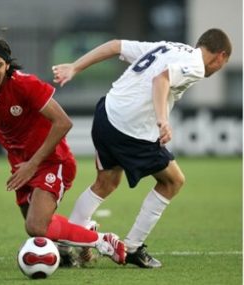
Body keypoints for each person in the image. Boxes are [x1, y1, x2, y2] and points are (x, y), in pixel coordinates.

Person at [0, 37, 127, 265]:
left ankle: (104, 241)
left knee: (35, 226)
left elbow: (63, 122)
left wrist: (32, 165)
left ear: (7, 65)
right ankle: (72, 244)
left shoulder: (25, 84)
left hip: (52, 160)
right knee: (39, 227)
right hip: (20, 163)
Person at [52, 28, 232, 268]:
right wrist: (162, 120)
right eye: (224, 63)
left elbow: (116, 44)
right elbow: (162, 79)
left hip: (107, 113)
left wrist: (75, 66)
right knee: (173, 181)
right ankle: (134, 247)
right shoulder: (197, 65)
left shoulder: (168, 46)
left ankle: (65, 246)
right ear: (220, 56)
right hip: (131, 130)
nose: (219, 68)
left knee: (106, 183)